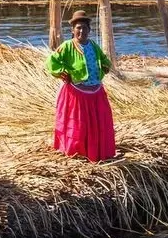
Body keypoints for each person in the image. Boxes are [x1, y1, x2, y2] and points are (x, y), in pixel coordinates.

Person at [46, 11, 116, 162]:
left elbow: (104, 59)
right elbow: (51, 61)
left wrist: (105, 67)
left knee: (98, 124)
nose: (81, 31)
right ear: (72, 30)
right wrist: (61, 72)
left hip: (96, 91)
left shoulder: (93, 46)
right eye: (78, 28)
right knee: (78, 124)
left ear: (89, 30)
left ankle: (96, 151)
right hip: (77, 93)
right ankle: (77, 152)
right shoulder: (67, 46)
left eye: (85, 28)